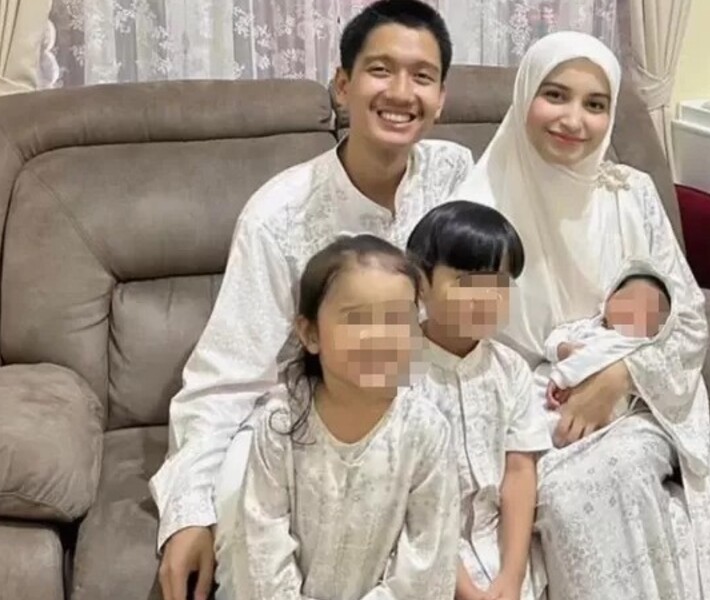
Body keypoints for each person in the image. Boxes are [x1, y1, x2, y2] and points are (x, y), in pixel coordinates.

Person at [148, 2, 474, 598]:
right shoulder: (279, 214)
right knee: (237, 494)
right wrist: (190, 510)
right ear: (343, 85)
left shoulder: (455, 176)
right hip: (312, 425)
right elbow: (225, 380)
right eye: (381, 70)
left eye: (422, 76)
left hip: (426, 419)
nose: (401, 92)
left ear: (442, 98)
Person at [455, 32, 710, 600]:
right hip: (523, 413)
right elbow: (449, 340)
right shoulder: (474, 208)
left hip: (638, 399)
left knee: (675, 495)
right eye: (555, 95)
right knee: (577, 493)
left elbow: (686, 317)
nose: (574, 119)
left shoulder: (631, 194)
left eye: (595, 104)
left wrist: (618, 377)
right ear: (525, 95)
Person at [229, 234, 459, 600]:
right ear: (310, 333)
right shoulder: (280, 425)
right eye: (359, 319)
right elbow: (261, 547)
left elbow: (426, 561)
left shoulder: (426, 432)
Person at [406, 201, 552, 600]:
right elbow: (406, 498)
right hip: (423, 555)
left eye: (499, 283)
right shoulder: (397, 372)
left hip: (497, 549)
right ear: (420, 283)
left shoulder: (510, 369)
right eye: (466, 281)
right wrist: (464, 588)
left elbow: (519, 472)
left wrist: (512, 575)